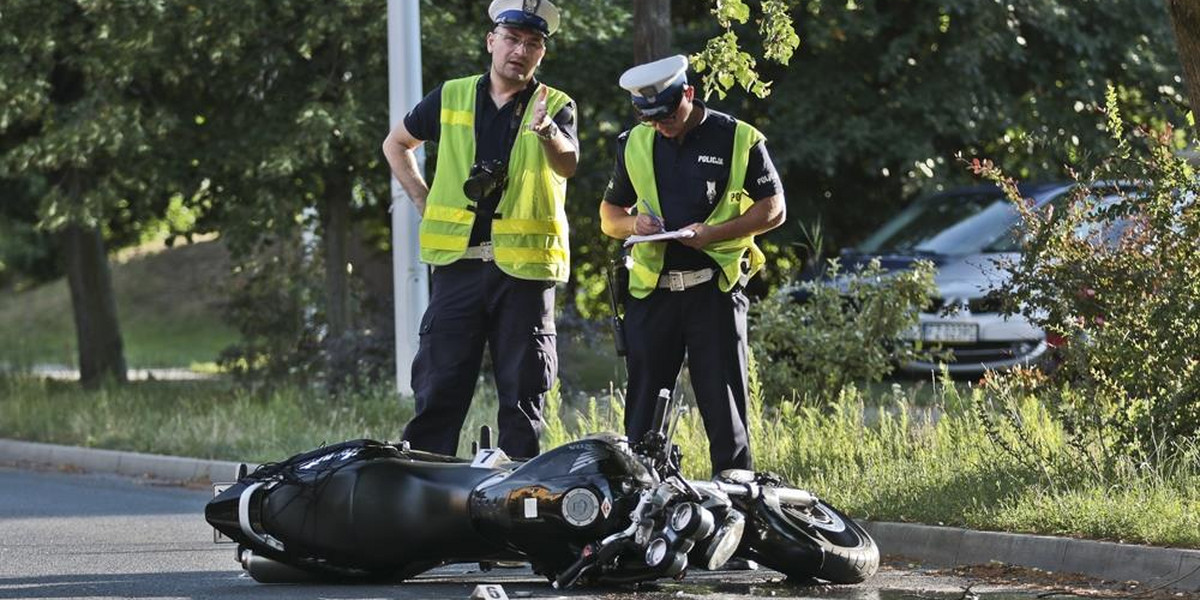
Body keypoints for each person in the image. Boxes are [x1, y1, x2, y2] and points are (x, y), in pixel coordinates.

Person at [381, 0, 579, 459]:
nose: (520, 51)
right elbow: (396, 143)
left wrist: (547, 129)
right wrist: (421, 198)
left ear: (541, 54)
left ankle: (520, 504)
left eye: (532, 44)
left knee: (524, 397)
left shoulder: (556, 105)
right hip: (459, 266)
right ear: (492, 41)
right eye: (511, 39)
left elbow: (568, 164)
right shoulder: (450, 96)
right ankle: (423, 493)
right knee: (439, 387)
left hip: (524, 274)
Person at [599, 54, 786, 476]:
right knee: (643, 414)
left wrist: (713, 234)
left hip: (712, 290)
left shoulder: (737, 137)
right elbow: (609, 215)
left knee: (724, 409)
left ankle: (737, 500)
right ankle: (644, 501)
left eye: (667, 113)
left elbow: (774, 209)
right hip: (652, 294)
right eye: (651, 117)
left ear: (689, 93)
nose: (661, 124)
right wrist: (634, 223)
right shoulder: (634, 142)